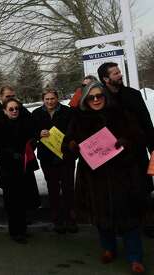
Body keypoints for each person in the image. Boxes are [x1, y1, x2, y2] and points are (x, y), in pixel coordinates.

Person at [62, 81, 148, 274]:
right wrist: (72, 145)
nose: (96, 100)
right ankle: (108, 248)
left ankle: (135, 257)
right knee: (102, 216)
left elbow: (138, 137)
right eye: (91, 97)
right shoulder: (78, 119)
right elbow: (67, 144)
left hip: (123, 174)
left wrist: (127, 143)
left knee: (129, 217)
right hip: (94, 177)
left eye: (99, 96)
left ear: (105, 96)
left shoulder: (121, 114)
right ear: (85, 99)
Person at [98, 62, 154, 237]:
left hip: (137, 152)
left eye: (119, 72)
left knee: (143, 189)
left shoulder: (133, 95)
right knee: (120, 192)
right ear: (105, 79)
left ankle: (148, 223)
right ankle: (122, 225)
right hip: (114, 156)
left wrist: (152, 148)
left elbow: (146, 123)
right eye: (115, 73)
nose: (119, 75)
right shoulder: (99, 98)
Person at [0, 98, 40, 244]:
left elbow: (31, 138)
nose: (14, 111)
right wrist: (11, 153)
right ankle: (15, 231)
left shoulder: (24, 122)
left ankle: (22, 229)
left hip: (24, 166)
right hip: (8, 168)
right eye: (11, 109)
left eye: (16, 108)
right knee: (12, 201)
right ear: (4, 111)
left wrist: (32, 144)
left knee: (23, 198)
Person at [32, 89, 77, 234]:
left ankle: (70, 219)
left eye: (52, 98)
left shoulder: (68, 112)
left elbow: (74, 131)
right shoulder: (36, 114)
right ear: (43, 100)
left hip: (65, 155)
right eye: (47, 99)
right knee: (53, 188)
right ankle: (57, 219)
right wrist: (38, 133)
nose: (50, 101)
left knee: (68, 187)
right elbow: (31, 132)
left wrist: (68, 142)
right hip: (47, 157)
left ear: (57, 98)